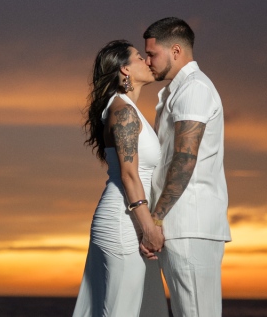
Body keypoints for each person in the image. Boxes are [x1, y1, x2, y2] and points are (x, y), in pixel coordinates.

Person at [72, 40, 169, 317]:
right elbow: (129, 175)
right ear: (125, 69)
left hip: (129, 221)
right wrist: (149, 229)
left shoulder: (126, 108)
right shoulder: (122, 110)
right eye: (141, 57)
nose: (148, 61)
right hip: (123, 224)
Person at [142, 18, 231, 317]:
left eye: (152, 54)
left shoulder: (193, 89)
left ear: (176, 51)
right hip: (179, 224)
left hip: (189, 224)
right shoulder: (176, 91)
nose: (147, 61)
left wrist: (154, 220)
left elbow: (184, 159)